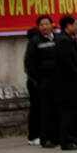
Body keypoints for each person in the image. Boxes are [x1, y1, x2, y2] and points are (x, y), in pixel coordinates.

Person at [53, 15, 77, 150]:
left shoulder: (69, 39)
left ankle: (73, 138)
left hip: (73, 83)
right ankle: (66, 140)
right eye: (76, 24)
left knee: (75, 113)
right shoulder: (63, 41)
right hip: (68, 84)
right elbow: (68, 63)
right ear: (68, 26)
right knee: (68, 113)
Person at [24, 17, 56, 146]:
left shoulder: (57, 39)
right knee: (42, 109)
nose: (44, 26)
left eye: (46, 24)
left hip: (56, 80)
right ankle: (43, 137)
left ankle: (56, 135)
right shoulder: (35, 42)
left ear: (51, 25)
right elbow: (29, 63)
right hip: (42, 80)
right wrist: (38, 78)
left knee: (55, 108)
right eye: (41, 25)